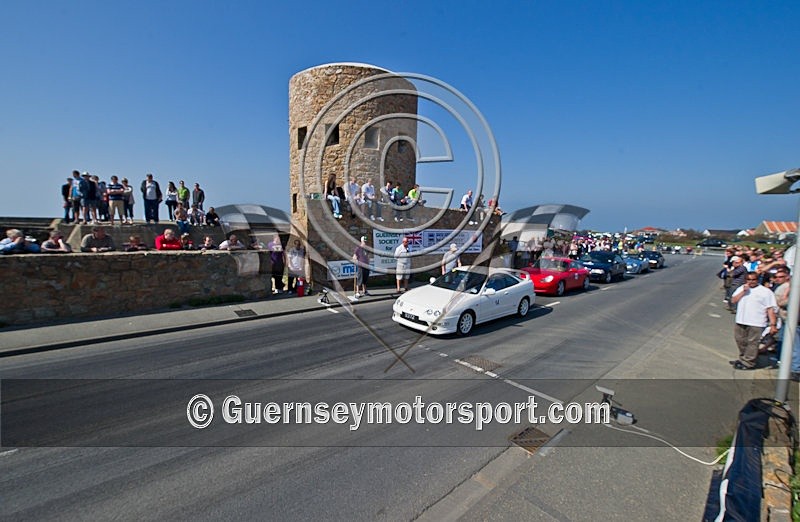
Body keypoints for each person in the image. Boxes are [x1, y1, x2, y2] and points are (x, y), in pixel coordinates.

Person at [730, 272, 778, 369]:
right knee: (740, 340)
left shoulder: (766, 292)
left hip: (756, 321)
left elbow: (770, 309)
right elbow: (733, 300)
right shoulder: (742, 288)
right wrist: (743, 291)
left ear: (757, 280)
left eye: (753, 279)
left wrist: (773, 324)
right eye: (749, 279)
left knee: (752, 343)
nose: (751, 282)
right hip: (741, 320)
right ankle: (744, 358)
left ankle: (749, 363)